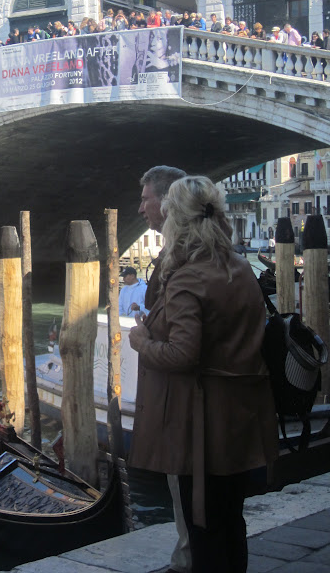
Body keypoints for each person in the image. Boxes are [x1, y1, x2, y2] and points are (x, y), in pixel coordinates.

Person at [130, 176, 278, 573]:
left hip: (201, 425)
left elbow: (181, 354)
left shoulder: (187, 278)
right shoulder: (240, 267)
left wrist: (142, 341)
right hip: (241, 414)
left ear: (177, 219)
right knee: (231, 520)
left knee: (205, 527)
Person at [137, 165, 189, 573]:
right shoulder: (224, 263)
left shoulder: (183, 268)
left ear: (168, 203)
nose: (140, 209)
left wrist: (143, 342)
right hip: (196, 402)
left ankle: (188, 561)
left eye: (145, 199)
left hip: (188, 403)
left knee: (191, 492)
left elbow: (182, 350)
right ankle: (188, 555)